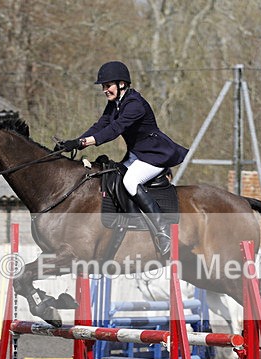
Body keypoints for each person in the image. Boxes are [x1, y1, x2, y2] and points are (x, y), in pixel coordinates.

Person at [56, 61, 188, 256]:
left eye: (107, 85)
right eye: (103, 86)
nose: (104, 90)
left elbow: (114, 130)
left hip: (155, 155)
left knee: (130, 180)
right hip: (138, 154)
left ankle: (163, 231)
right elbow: (101, 124)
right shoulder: (115, 103)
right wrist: (76, 140)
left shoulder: (135, 105)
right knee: (113, 176)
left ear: (121, 84)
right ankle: (127, 221)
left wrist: (83, 143)